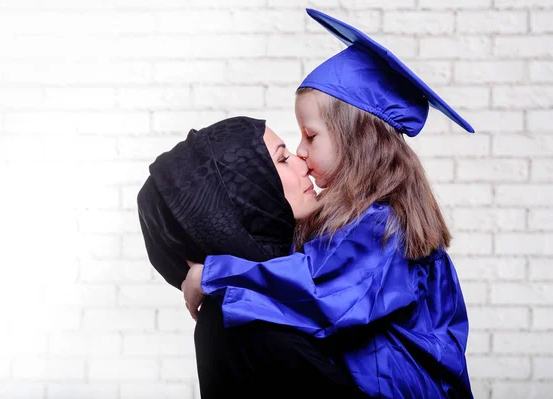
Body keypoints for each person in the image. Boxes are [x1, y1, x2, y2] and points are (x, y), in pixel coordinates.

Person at [181, 8, 475, 399]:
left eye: (310, 136)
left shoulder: (385, 226)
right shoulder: (358, 222)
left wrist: (214, 275)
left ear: (358, 141)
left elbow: (317, 292)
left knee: (231, 323)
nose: (301, 153)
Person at [137, 116, 369, 399]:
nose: (302, 162)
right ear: (244, 192)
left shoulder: (264, 294)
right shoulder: (244, 317)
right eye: (283, 159)